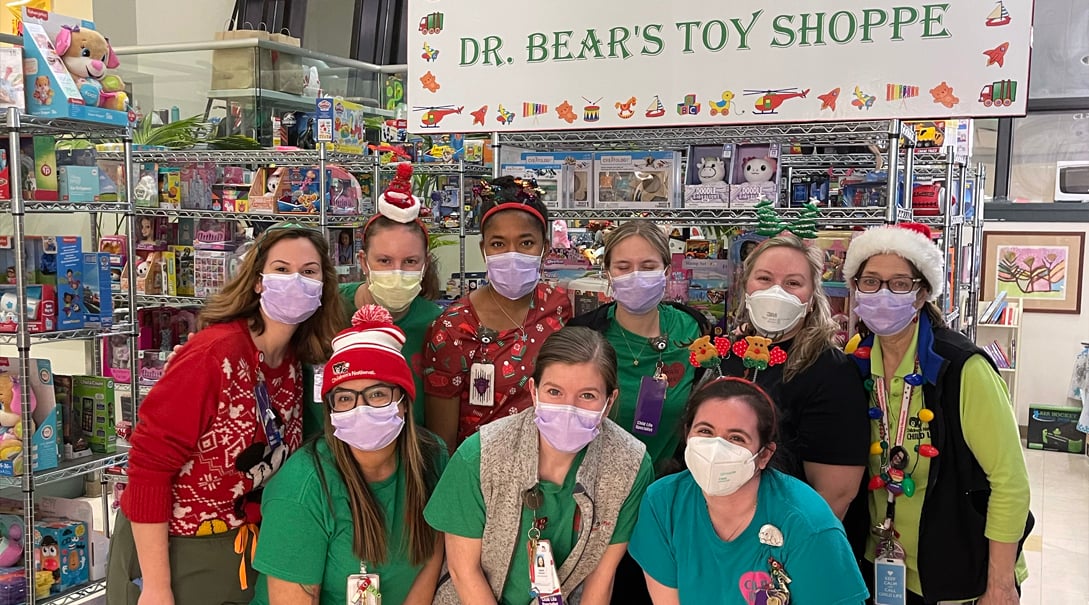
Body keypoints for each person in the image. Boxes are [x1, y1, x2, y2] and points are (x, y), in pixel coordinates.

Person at [106, 223, 343, 605]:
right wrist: (155, 585)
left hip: (241, 548)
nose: (296, 281)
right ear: (257, 281)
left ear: (324, 286)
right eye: (282, 269)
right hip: (173, 548)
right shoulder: (213, 356)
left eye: (309, 272)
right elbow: (149, 465)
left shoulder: (296, 362)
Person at [841, 223, 1032, 604]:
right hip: (878, 563)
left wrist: (999, 585)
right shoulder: (856, 358)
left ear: (921, 293)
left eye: (898, 284)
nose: (882, 294)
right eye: (870, 281)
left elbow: (1010, 482)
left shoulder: (962, 368)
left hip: (958, 571)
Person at [424, 326, 654, 605]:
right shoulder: (480, 455)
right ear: (533, 391)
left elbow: (601, 579)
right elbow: (464, 571)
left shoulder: (630, 465)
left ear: (609, 401)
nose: (569, 408)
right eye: (554, 391)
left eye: (588, 396)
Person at [252, 305, 448, 605]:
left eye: (378, 393)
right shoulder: (302, 488)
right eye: (345, 398)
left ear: (405, 403)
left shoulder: (431, 458)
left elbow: (432, 555)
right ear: (330, 411)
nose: (361, 408)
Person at [629, 377, 868, 604]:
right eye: (705, 431)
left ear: (764, 455)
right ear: (687, 434)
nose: (716, 448)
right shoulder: (663, 503)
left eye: (736, 438)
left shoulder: (807, 524)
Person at [568, 222, 706, 605]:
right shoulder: (586, 335)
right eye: (623, 266)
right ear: (608, 274)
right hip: (597, 501)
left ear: (666, 268)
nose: (635, 276)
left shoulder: (692, 328)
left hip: (669, 499)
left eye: (647, 266)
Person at [720, 234, 869, 520]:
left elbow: (835, 494)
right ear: (745, 288)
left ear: (812, 299)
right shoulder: (728, 355)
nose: (777, 292)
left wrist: (786, 553)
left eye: (792, 283)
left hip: (783, 538)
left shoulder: (830, 372)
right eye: (764, 279)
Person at [424, 176, 571, 452]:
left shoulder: (559, 307)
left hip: (551, 465)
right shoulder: (454, 327)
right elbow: (442, 443)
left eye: (526, 243)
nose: (512, 255)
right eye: (498, 244)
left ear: (545, 248)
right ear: (484, 249)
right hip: (481, 473)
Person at [302, 163, 443, 437]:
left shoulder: (436, 325)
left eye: (410, 261)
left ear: (425, 265)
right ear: (364, 262)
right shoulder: (324, 309)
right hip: (324, 458)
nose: (397, 272)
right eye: (384, 261)